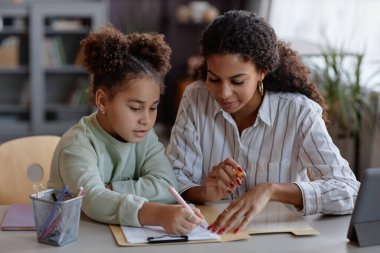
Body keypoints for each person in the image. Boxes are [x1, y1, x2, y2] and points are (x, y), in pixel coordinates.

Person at [166, 10, 360, 234]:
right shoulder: (196, 98)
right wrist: (205, 192)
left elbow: (349, 190)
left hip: (278, 239)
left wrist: (272, 191)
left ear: (262, 72)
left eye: (237, 81)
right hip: (212, 236)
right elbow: (173, 177)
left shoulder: (299, 113)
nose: (223, 93)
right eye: (214, 78)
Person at [48, 24, 203, 235]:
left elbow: (167, 185)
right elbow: (91, 200)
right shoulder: (78, 144)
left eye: (153, 108)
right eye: (135, 108)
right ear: (102, 101)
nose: (146, 120)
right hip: (74, 238)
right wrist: (158, 214)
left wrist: (110, 190)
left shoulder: (145, 136)